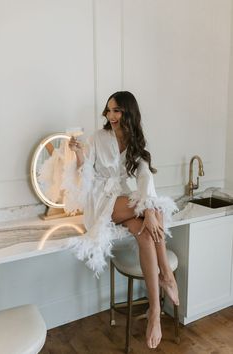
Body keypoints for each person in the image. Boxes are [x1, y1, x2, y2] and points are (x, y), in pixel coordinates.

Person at [65, 91, 179, 349]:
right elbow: (86, 175)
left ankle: (154, 313)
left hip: (125, 201)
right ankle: (167, 277)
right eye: (108, 110)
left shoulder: (135, 140)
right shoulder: (97, 137)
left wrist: (148, 209)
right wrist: (78, 154)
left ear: (128, 112)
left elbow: (144, 176)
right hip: (102, 201)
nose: (111, 116)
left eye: (117, 110)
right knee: (154, 211)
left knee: (146, 233)